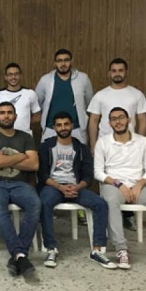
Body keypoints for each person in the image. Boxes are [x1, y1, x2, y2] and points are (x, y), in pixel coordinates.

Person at [94, 107, 146, 273]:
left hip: (140, 187)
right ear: (109, 123)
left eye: (121, 117)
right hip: (113, 186)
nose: (118, 122)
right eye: (114, 119)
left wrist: (139, 184)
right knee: (110, 201)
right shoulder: (103, 142)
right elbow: (98, 172)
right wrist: (119, 184)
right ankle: (121, 249)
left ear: (129, 120)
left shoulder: (143, 142)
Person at [38, 112, 116, 269]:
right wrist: (60, 187)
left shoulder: (81, 148)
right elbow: (42, 175)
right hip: (53, 186)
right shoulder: (46, 146)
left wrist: (77, 187)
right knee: (44, 203)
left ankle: (97, 250)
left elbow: (88, 175)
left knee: (100, 204)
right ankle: (51, 249)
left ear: (72, 126)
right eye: (59, 125)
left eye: (66, 124)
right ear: (54, 128)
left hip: (76, 187)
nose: (63, 128)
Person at [0, 102, 41, 280]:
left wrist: (4, 158)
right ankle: (21, 255)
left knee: (35, 204)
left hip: (19, 184)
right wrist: (21, 156)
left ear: (15, 116)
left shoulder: (25, 137)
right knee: (0, 208)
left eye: (9, 113)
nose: (6, 116)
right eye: (2, 113)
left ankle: (18, 255)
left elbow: (34, 164)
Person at [87, 58, 146, 152]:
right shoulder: (100, 95)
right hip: (104, 144)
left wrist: (140, 144)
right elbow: (93, 120)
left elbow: (143, 120)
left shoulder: (137, 95)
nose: (117, 73)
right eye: (114, 71)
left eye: (120, 70)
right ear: (109, 73)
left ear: (126, 72)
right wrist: (93, 145)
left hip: (129, 145)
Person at [35, 49, 93, 144]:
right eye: (59, 61)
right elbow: (37, 103)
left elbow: (89, 104)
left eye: (66, 60)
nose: (63, 64)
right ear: (55, 63)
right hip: (50, 129)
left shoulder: (83, 78)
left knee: (79, 154)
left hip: (77, 129)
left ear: (71, 61)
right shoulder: (45, 80)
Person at [0, 63, 40, 135]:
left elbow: (37, 116)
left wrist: (25, 122)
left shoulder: (30, 93)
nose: (13, 77)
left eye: (16, 74)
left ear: (20, 76)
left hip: (25, 135)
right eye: (10, 74)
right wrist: (4, 124)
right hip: (4, 136)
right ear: (6, 77)